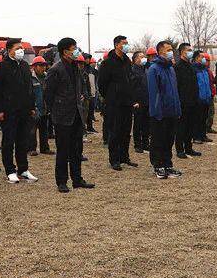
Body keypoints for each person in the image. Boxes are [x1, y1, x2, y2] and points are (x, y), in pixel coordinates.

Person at [44, 38, 95, 193]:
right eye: (74, 48)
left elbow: (79, 88)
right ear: (65, 51)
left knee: (76, 149)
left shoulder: (76, 67)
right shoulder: (56, 69)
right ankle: (61, 181)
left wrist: (79, 98)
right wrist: (55, 110)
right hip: (62, 116)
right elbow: (48, 94)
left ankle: (77, 179)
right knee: (63, 150)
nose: (76, 51)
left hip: (76, 115)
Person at [0, 38, 39, 183]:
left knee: (23, 141)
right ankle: (10, 170)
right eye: (18, 48)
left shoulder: (25, 65)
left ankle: (23, 169)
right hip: (8, 111)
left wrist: (31, 106)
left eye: (22, 48)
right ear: (9, 50)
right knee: (8, 141)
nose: (21, 50)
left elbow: (29, 88)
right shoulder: (2, 67)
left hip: (24, 110)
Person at [97, 35, 139, 170]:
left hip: (127, 102)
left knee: (126, 132)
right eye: (124, 43)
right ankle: (114, 159)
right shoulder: (108, 62)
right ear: (116, 45)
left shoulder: (127, 61)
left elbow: (130, 80)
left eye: (127, 43)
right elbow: (102, 84)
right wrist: (110, 96)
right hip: (114, 103)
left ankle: (124, 157)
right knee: (115, 131)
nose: (126, 45)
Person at [147, 41, 182, 179]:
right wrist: (157, 112)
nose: (171, 52)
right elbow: (153, 93)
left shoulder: (171, 69)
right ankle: (158, 165)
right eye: (168, 49)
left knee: (169, 140)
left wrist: (177, 109)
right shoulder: (154, 69)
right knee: (158, 140)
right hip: (159, 114)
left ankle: (168, 164)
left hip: (171, 111)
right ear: (160, 51)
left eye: (171, 49)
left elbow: (174, 91)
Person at [174, 42, 201, 159]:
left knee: (190, 126)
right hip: (182, 102)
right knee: (181, 127)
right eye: (188, 50)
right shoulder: (177, 67)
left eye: (191, 50)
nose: (190, 52)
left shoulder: (191, 66)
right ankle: (180, 149)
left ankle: (189, 148)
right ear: (182, 52)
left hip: (193, 102)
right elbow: (177, 86)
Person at [29, 56, 53, 156]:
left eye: (44, 65)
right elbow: (28, 94)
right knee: (32, 130)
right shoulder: (30, 78)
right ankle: (31, 149)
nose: (43, 67)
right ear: (34, 66)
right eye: (41, 65)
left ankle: (45, 148)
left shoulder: (47, 77)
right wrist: (31, 107)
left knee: (44, 130)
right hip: (34, 108)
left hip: (45, 108)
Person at [130, 51, 150, 153]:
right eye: (141, 57)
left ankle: (146, 143)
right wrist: (134, 101)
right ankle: (138, 144)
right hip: (138, 102)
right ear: (136, 59)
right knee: (138, 124)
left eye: (144, 56)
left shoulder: (145, 69)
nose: (144, 58)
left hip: (147, 101)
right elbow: (132, 88)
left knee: (146, 124)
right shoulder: (133, 70)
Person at [192, 51, 213, 144]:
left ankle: (203, 135)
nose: (203, 58)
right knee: (197, 119)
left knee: (204, 118)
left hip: (206, 98)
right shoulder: (193, 69)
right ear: (196, 58)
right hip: (198, 98)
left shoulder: (205, 69)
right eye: (201, 57)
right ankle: (196, 136)